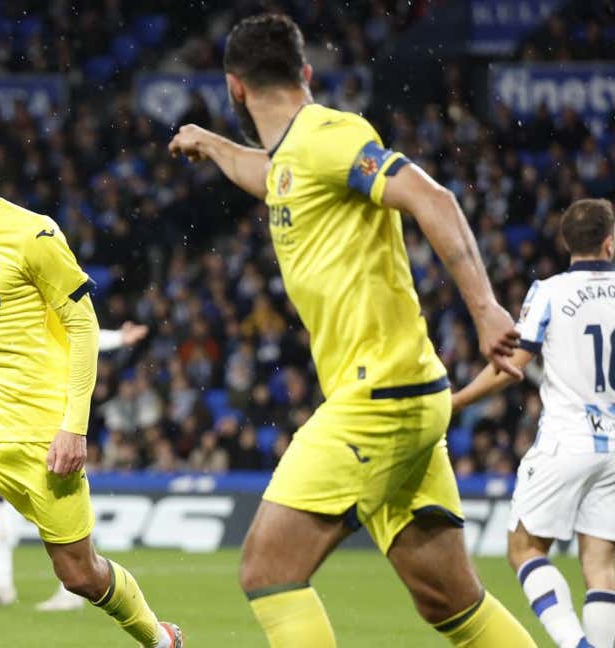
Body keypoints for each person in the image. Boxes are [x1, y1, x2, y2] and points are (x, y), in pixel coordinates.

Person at [167, 13, 534, 647]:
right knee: (450, 602)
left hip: (379, 397)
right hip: (407, 397)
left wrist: (485, 310)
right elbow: (273, 177)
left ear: (234, 87)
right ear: (304, 73)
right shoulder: (296, 159)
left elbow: (434, 198)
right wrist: (213, 145)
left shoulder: (328, 135)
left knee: (267, 568)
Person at [0, 123, 182, 648]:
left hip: (39, 433)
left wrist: (75, 427)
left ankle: (159, 639)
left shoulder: (34, 235)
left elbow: (83, 325)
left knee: (81, 574)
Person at [453, 198, 615, 648]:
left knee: (525, 548)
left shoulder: (549, 292)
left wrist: (456, 401)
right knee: (602, 568)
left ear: (566, 242)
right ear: (610, 242)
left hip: (568, 439)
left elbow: (512, 365)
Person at [0, 322, 150, 611]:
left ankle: (76, 588)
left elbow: (81, 332)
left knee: (59, 515)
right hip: (6, 429)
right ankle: (0, 583)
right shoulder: (0, 320)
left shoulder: (39, 315)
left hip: (48, 428)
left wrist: (118, 337)